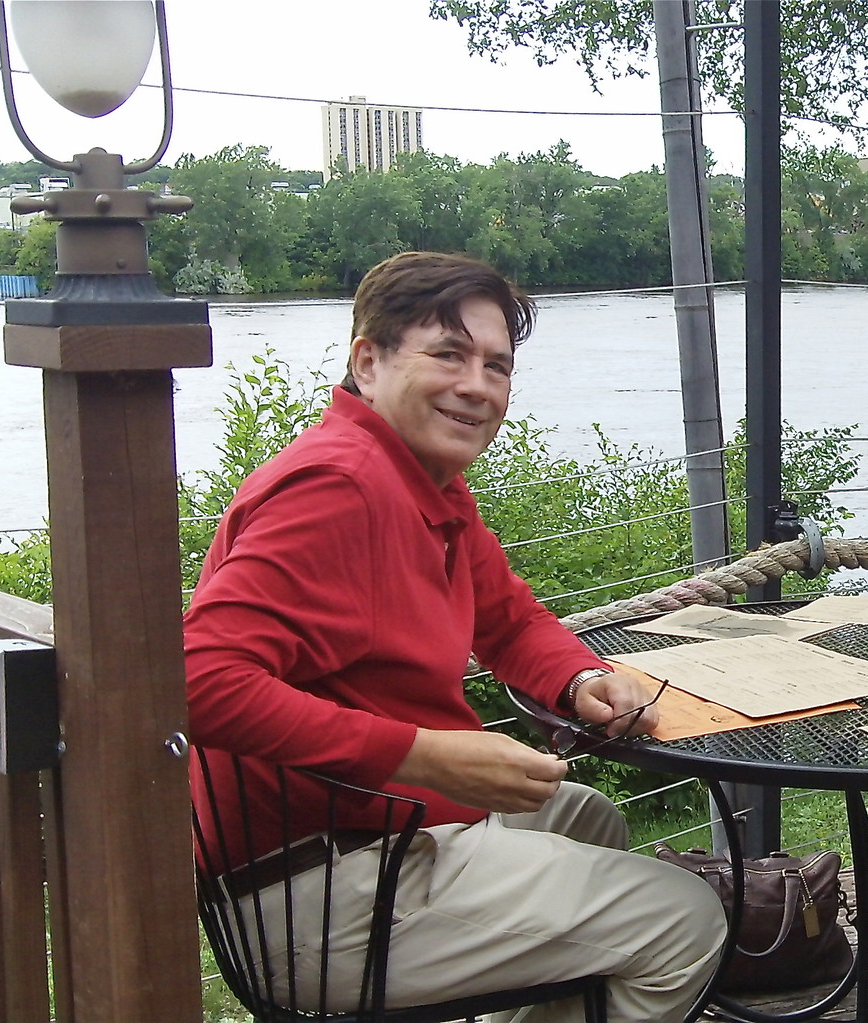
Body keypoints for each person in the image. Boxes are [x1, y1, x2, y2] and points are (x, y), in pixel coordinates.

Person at [184, 251, 725, 1023]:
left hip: (376, 839)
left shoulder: (423, 481)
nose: (478, 384)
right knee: (686, 920)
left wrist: (581, 678)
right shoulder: (337, 487)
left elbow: (508, 619)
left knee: (590, 818)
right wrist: (425, 754)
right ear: (367, 362)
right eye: (449, 354)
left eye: (497, 365)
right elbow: (195, 682)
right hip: (314, 893)